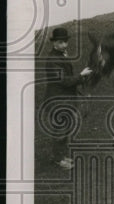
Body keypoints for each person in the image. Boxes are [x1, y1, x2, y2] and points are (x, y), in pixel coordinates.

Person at [38, 27, 93, 170]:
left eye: (65, 42)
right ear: (54, 43)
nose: (64, 45)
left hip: (64, 101)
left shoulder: (60, 55)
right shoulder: (52, 60)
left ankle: (60, 156)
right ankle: (58, 160)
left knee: (65, 129)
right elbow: (64, 81)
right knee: (60, 131)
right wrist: (81, 76)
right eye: (61, 43)